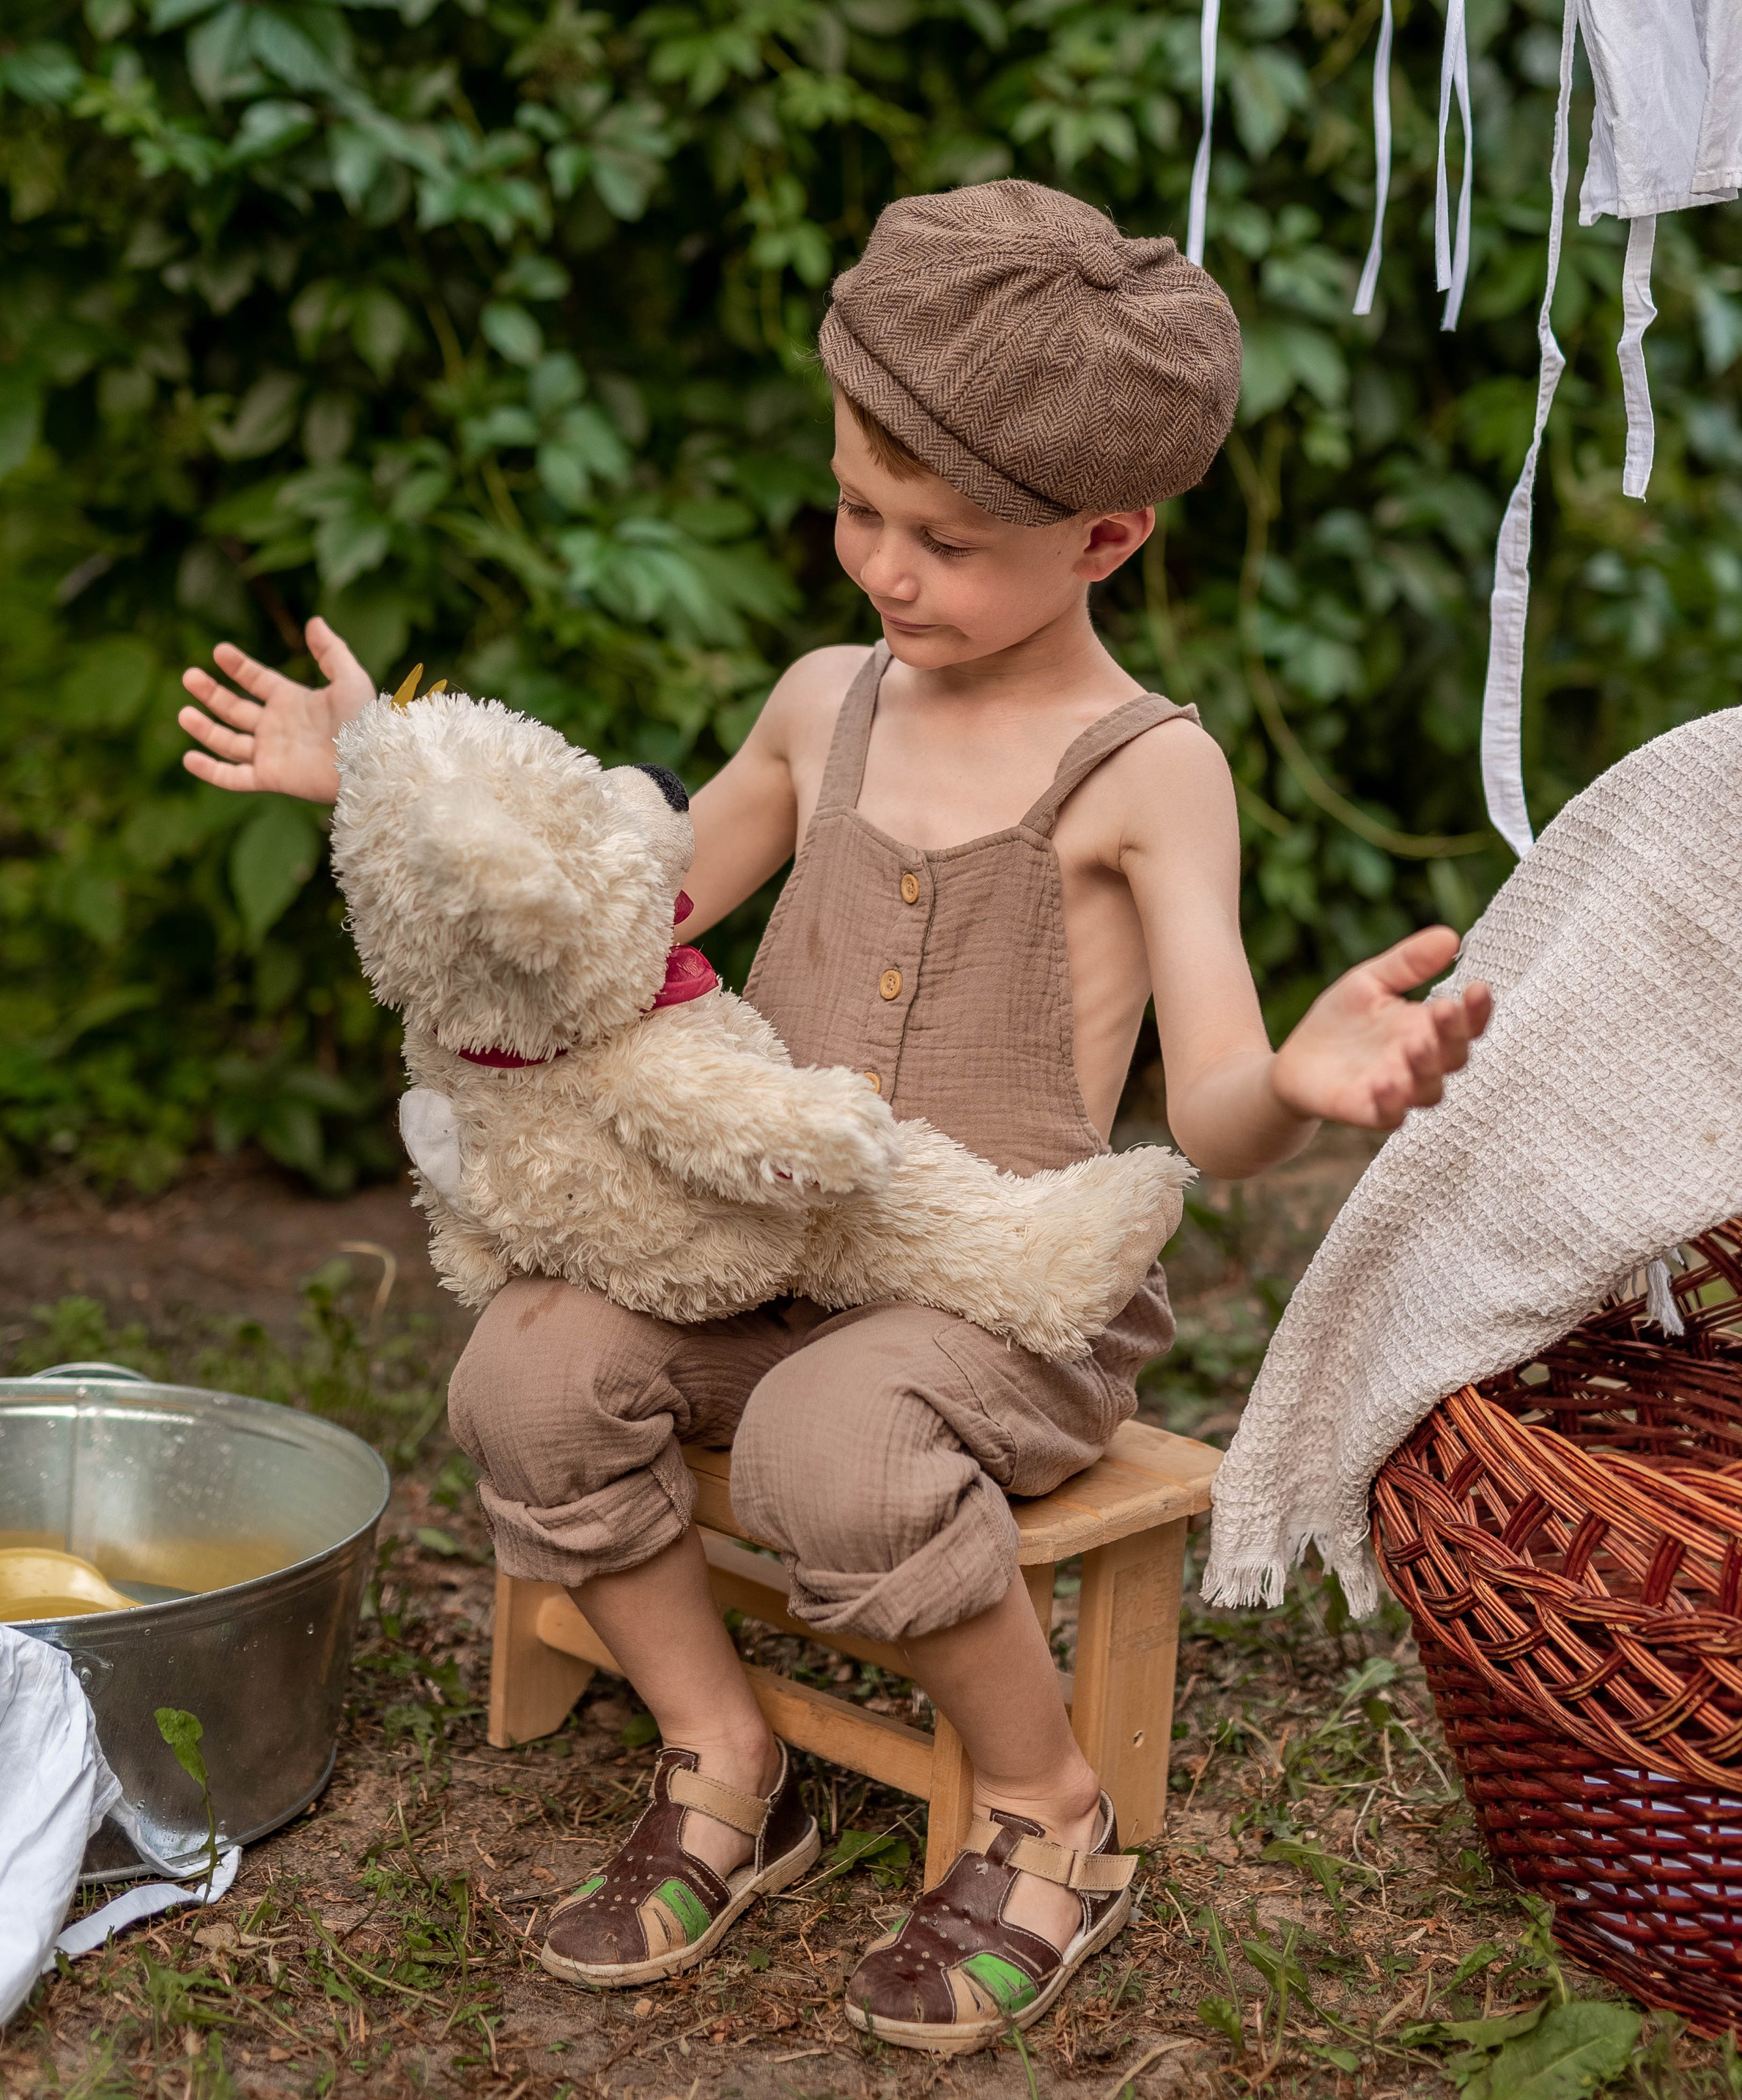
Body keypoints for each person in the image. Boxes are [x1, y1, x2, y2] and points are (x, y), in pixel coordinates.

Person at [177, 180, 1491, 2056]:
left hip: (994, 1311)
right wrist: (384, 785)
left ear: (1103, 534)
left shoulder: (1149, 771)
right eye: (857, 505)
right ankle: (729, 1760)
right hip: (754, 1258)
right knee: (525, 1372)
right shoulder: (819, 708)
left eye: (942, 540)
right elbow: (617, 920)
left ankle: (1048, 1811)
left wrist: (1296, 1082)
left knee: (827, 1441)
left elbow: (1203, 1102)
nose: (882, 565)